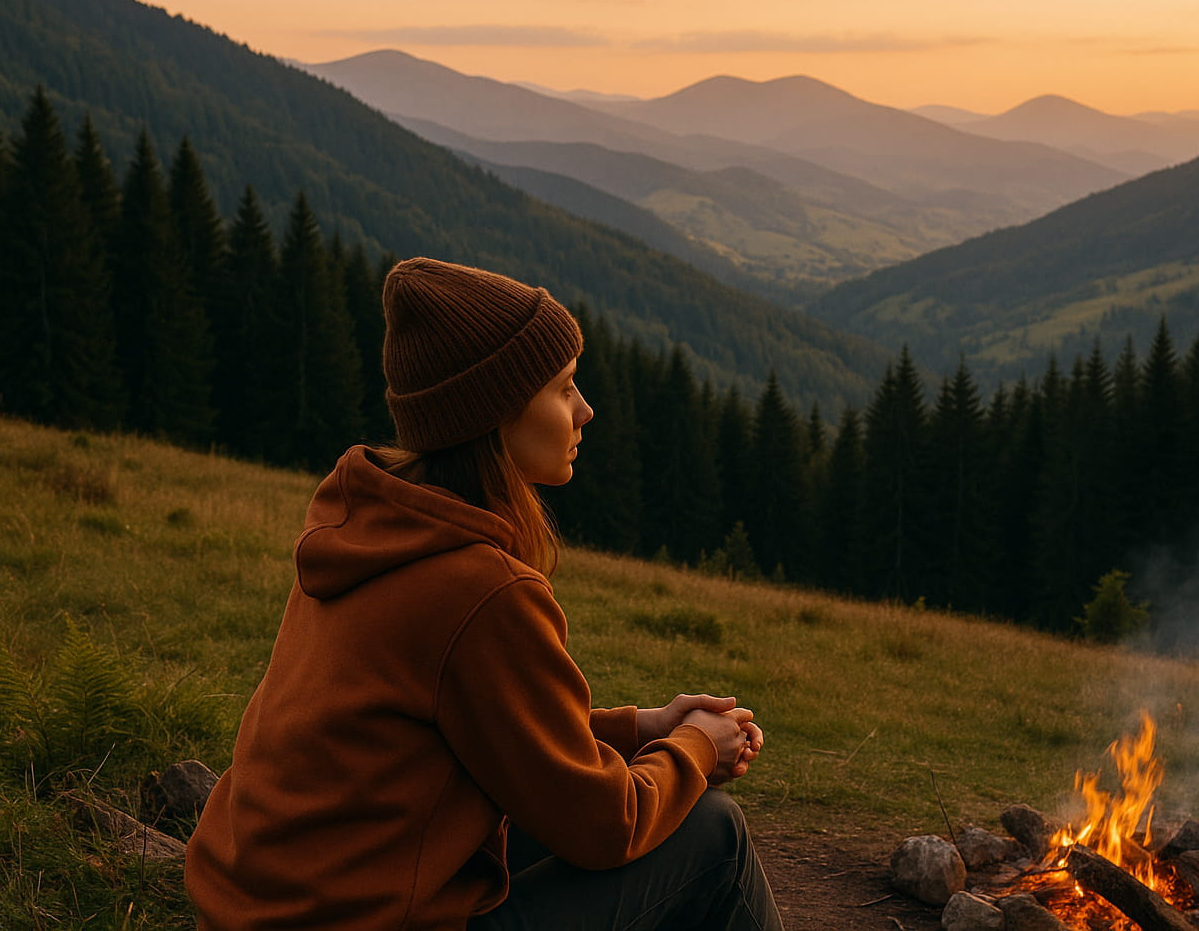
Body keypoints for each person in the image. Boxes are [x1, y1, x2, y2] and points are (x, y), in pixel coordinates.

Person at [185, 257, 782, 931]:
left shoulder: (366, 529)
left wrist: (638, 727)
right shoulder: (480, 591)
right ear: (493, 412)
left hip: (263, 908)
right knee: (712, 838)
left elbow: (475, 727)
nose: (585, 409)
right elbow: (603, 826)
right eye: (562, 389)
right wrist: (697, 749)